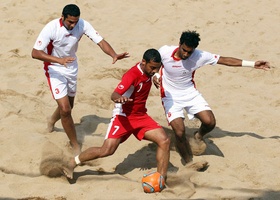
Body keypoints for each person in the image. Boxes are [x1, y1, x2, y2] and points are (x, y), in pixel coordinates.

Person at [153, 30, 270, 164]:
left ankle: (198, 135)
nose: (186, 54)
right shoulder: (165, 51)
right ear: (179, 44)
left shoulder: (199, 56)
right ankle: (189, 162)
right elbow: (155, 65)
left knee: (210, 122)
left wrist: (253, 64)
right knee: (179, 133)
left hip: (190, 93)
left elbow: (224, 60)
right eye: (184, 50)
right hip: (170, 96)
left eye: (189, 52)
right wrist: (156, 76)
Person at [31, 4, 129, 155]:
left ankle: (51, 121)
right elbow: (35, 53)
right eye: (70, 22)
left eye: (75, 22)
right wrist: (59, 60)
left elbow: (100, 41)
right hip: (54, 68)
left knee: (70, 105)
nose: (73, 25)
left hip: (72, 67)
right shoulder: (51, 28)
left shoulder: (82, 24)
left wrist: (113, 54)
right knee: (65, 109)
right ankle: (75, 144)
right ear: (62, 17)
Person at [63, 48, 170, 184]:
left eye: (157, 68)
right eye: (153, 68)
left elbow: (154, 72)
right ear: (143, 62)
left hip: (140, 116)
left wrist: (155, 76)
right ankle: (73, 162)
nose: (155, 71)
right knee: (106, 150)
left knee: (164, 140)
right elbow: (114, 94)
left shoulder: (149, 71)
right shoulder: (131, 75)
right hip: (123, 117)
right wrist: (119, 98)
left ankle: (161, 179)